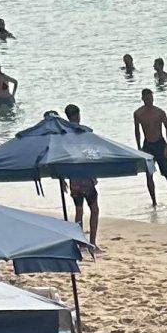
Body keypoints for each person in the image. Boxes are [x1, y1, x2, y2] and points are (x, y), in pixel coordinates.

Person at [63, 104, 100, 243]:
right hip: (85, 177)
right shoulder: (83, 133)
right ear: (77, 115)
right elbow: (89, 154)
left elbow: (62, 158)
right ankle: (92, 242)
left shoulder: (64, 136)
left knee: (79, 210)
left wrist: (62, 179)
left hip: (73, 179)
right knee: (94, 209)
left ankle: (80, 242)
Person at [134, 88, 167, 206]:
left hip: (160, 144)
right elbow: (137, 131)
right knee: (149, 175)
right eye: (147, 98)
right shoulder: (138, 113)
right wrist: (139, 148)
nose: (149, 100)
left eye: (151, 98)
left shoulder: (160, 112)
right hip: (147, 145)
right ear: (142, 99)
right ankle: (154, 202)